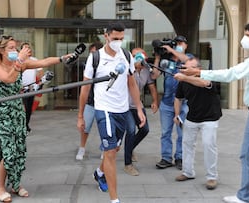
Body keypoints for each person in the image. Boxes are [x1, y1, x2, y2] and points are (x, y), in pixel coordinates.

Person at [181, 21, 249, 203]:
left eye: (247, 35)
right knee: (247, 154)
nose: (244, 38)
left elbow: (231, 74)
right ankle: (244, 196)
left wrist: (198, 72)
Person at [0, 36, 72, 203]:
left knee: (19, 149)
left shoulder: (19, 64)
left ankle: (15, 183)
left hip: (18, 111)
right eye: (11, 48)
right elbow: (8, 79)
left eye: (16, 48)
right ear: (2, 50)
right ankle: (0, 188)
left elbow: (43, 62)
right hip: (2, 112)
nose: (15, 51)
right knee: (9, 151)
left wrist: (62, 58)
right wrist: (19, 60)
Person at [77, 22, 146, 203]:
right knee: (109, 153)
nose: (118, 42)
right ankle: (114, 200)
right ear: (106, 36)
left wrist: (139, 108)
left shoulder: (126, 55)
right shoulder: (95, 57)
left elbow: (131, 83)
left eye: (122, 39)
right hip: (104, 110)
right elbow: (85, 89)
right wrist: (80, 116)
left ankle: (100, 173)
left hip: (122, 110)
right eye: (115, 38)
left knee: (114, 149)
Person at [173, 57, 222, 190]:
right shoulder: (183, 81)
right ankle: (187, 172)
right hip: (192, 117)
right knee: (187, 144)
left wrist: (184, 77)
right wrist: (177, 115)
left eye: (189, 67)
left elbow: (203, 83)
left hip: (210, 117)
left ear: (198, 68)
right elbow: (178, 98)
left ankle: (212, 177)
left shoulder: (207, 76)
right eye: (185, 67)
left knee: (209, 145)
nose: (185, 70)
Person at [152, 35, 190, 170]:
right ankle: (166, 158)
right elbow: (154, 75)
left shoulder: (189, 58)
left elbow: (186, 61)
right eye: (177, 43)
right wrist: (157, 58)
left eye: (182, 43)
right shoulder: (165, 61)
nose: (179, 45)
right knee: (165, 132)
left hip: (183, 103)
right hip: (167, 103)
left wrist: (172, 50)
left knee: (182, 133)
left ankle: (180, 157)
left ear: (186, 45)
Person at [123, 48, 158, 176]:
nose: (137, 59)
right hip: (125, 106)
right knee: (131, 130)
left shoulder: (146, 71)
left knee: (145, 129)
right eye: (134, 56)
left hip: (138, 105)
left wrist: (155, 101)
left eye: (140, 56)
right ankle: (128, 164)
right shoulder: (126, 69)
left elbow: (152, 86)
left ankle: (130, 148)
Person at [76, 41, 104, 160]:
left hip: (103, 103)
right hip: (90, 101)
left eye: (94, 53)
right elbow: (85, 86)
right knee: (85, 127)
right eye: (90, 53)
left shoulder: (105, 65)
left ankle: (104, 149)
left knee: (104, 128)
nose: (92, 56)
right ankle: (82, 148)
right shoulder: (88, 64)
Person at [20, 42, 44, 133]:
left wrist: (40, 83)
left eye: (29, 48)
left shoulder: (34, 60)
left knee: (29, 108)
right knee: (22, 107)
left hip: (31, 88)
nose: (28, 49)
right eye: (25, 48)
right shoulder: (18, 60)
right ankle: (22, 125)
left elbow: (40, 71)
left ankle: (26, 124)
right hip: (21, 89)